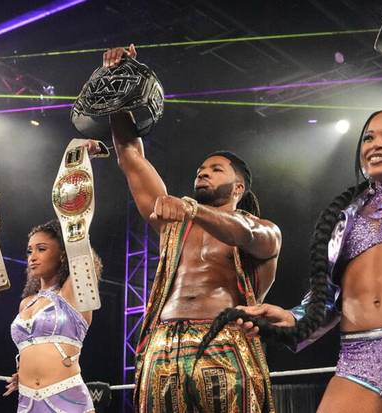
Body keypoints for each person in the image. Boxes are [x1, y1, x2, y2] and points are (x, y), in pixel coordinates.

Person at [220, 108, 382, 412]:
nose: (376, 144)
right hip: (359, 356)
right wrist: (291, 318)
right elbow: (329, 298)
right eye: (368, 138)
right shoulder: (344, 215)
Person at [102, 44, 281, 413]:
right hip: (163, 341)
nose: (203, 171)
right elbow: (130, 157)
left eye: (216, 169)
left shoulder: (263, 229)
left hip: (224, 339)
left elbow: (247, 236)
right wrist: (117, 83)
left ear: (238, 188)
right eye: (201, 167)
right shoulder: (174, 222)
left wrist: (191, 208)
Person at [3, 220, 103, 412]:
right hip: (27, 402)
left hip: (68, 400)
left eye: (41, 249)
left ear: (63, 255)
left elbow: (83, 259)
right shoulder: (25, 303)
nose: (33, 257)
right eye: (29, 251)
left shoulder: (72, 295)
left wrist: (73, 218)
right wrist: (25, 373)